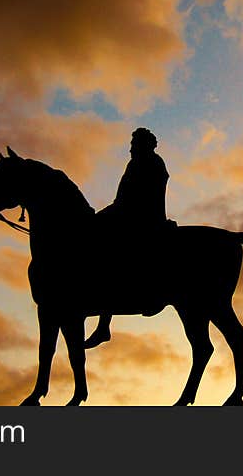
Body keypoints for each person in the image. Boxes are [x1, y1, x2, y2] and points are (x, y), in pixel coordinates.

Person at [85, 128, 171, 348]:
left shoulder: (149, 163)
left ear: (144, 145)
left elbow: (131, 200)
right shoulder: (140, 163)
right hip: (131, 216)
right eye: (132, 144)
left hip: (142, 220)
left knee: (106, 255)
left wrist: (104, 216)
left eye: (134, 144)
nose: (131, 148)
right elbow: (122, 199)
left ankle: (104, 324)